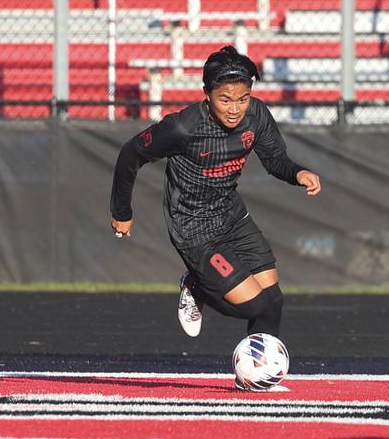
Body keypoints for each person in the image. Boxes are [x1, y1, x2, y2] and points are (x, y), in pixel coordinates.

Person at [110, 45, 320, 378]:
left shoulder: (257, 115)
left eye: (243, 98)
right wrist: (122, 211)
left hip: (232, 217)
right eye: (225, 99)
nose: (235, 108)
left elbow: (275, 160)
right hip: (193, 227)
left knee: (273, 300)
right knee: (255, 305)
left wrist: (298, 173)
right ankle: (196, 284)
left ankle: (258, 375)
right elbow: (130, 154)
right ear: (207, 94)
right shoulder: (182, 127)